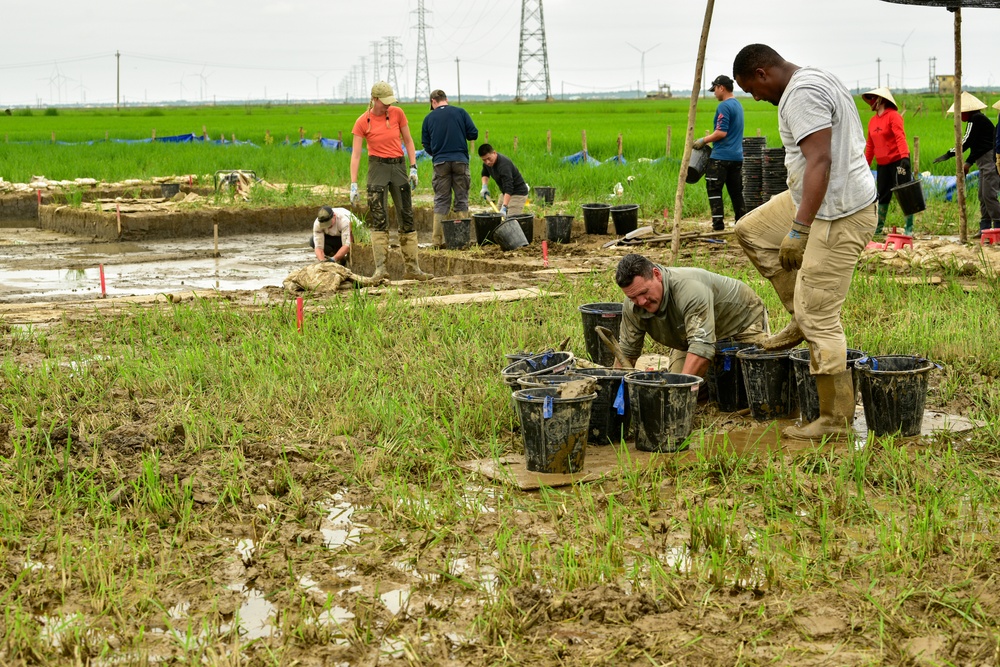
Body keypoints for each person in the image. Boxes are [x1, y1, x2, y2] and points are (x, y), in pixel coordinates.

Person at [731, 43, 877, 442]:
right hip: (815, 200)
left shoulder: (802, 94)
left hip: (839, 213)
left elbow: (820, 161)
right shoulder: (809, 80)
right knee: (752, 231)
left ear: (762, 73)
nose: (756, 98)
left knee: (821, 316)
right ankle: (800, 315)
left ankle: (834, 419)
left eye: (753, 89)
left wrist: (799, 229)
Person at [614, 253, 768, 378]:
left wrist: (680, 390)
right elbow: (627, 353)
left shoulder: (690, 290)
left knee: (751, 385)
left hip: (740, 324)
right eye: (633, 297)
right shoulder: (632, 305)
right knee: (682, 385)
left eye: (644, 292)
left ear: (657, 275)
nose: (640, 302)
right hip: (692, 337)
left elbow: (701, 347)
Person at [349, 81, 432, 281]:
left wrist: (413, 167)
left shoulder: (397, 113)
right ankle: (380, 270)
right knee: (379, 218)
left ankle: (412, 268)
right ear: (374, 99)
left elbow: (409, 140)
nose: (388, 105)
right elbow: (356, 155)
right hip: (377, 168)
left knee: (407, 215)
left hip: (398, 167)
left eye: (390, 101)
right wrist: (353, 184)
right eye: (384, 102)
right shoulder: (362, 122)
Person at [932, 91, 1000, 239]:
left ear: (966, 111)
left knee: (989, 195)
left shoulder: (975, 119)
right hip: (985, 161)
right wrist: (968, 162)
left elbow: (965, 142)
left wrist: (949, 154)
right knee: (982, 195)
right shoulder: (978, 119)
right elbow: (978, 147)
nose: (959, 116)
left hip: (990, 162)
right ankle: (985, 229)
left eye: (960, 112)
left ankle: (998, 227)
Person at [420, 89, 479, 248]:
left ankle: (436, 241)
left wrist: (437, 154)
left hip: (440, 163)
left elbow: (425, 144)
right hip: (460, 161)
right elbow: (473, 134)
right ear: (446, 99)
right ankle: (462, 240)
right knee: (461, 198)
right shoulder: (460, 112)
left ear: (433, 101)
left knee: (441, 200)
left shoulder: (428, 118)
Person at [694, 75, 746, 231]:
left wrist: (703, 140)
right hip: (737, 158)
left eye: (715, 90)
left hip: (720, 158)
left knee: (714, 189)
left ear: (721, 87)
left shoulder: (724, 106)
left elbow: (721, 133)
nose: (714, 93)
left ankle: (718, 226)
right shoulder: (738, 105)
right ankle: (743, 225)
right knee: (736, 192)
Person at [862, 87, 913, 235]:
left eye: (872, 98)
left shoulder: (894, 116)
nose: (870, 102)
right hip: (882, 165)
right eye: (869, 99)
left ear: (880, 100)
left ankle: (909, 228)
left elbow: (900, 136)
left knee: (904, 192)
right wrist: (866, 165)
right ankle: (878, 228)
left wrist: (905, 157)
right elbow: (870, 145)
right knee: (883, 195)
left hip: (898, 162)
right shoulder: (872, 122)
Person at [478, 144, 529, 217]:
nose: (487, 162)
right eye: (484, 160)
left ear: (494, 153)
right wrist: (484, 186)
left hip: (518, 193)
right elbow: (485, 173)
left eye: (489, 158)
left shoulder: (504, 166)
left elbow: (509, 187)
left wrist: (504, 207)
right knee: (496, 218)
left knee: (510, 219)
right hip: (505, 193)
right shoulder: (487, 163)